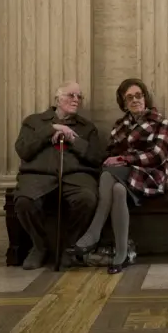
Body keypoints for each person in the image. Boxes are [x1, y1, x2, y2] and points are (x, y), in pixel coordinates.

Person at [73, 78, 168, 274]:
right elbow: (110, 155)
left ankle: (94, 230)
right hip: (124, 177)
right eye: (130, 97)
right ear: (124, 103)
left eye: (138, 96)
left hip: (150, 174)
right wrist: (118, 159)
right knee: (117, 188)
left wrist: (125, 159)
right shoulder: (120, 125)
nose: (135, 100)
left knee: (109, 173)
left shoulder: (160, 122)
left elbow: (158, 155)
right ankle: (121, 255)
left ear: (145, 97)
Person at [14, 81, 104, 270]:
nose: (76, 100)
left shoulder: (87, 127)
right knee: (24, 201)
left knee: (87, 199)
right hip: (38, 176)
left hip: (76, 176)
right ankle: (39, 247)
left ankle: (69, 248)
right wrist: (52, 129)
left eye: (79, 96)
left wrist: (73, 139)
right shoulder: (33, 122)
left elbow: (97, 158)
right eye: (71, 95)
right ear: (57, 99)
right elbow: (23, 150)